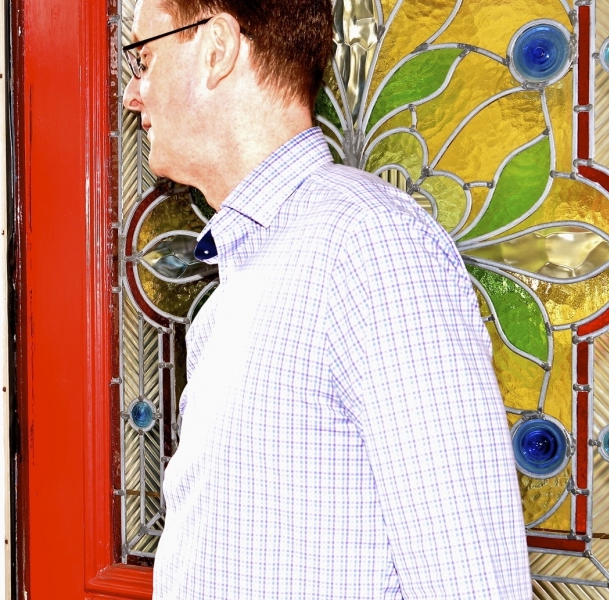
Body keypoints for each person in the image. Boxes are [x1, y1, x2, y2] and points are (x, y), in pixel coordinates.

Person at [122, 1, 532, 598]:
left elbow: (473, 584)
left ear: (216, 49)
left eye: (145, 57)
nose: (134, 94)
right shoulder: (245, 275)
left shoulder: (372, 249)